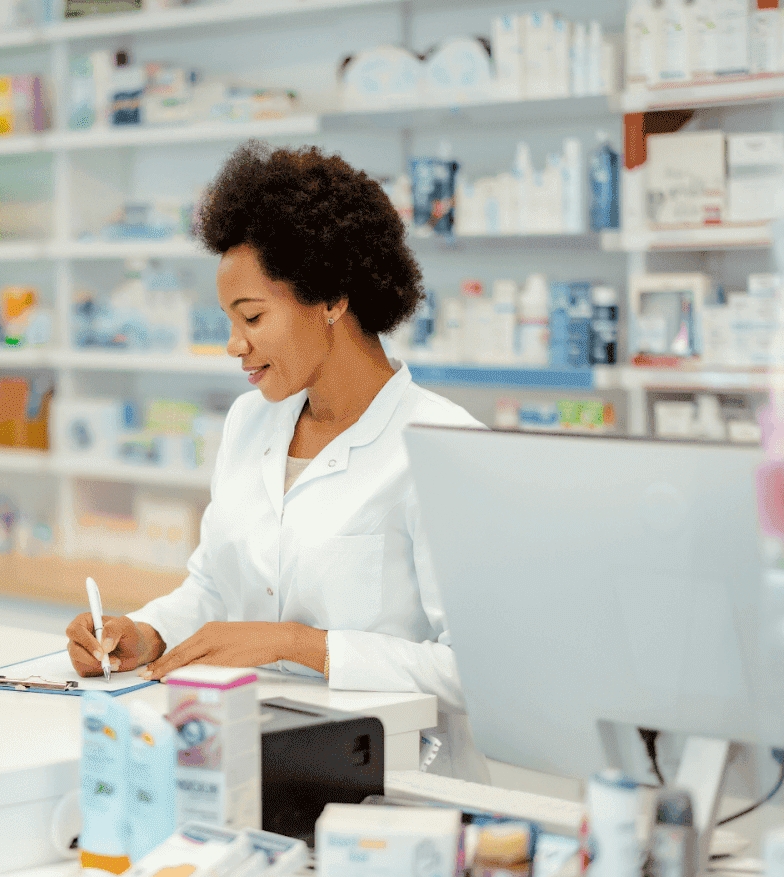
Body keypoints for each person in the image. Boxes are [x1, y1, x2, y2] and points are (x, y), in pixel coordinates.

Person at [65, 140, 489, 781]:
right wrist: (146, 635)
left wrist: (300, 645)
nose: (235, 344)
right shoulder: (250, 422)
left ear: (331, 298)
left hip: (399, 789)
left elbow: (478, 669)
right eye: (229, 320)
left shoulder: (442, 446)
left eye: (252, 316)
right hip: (249, 760)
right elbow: (214, 587)